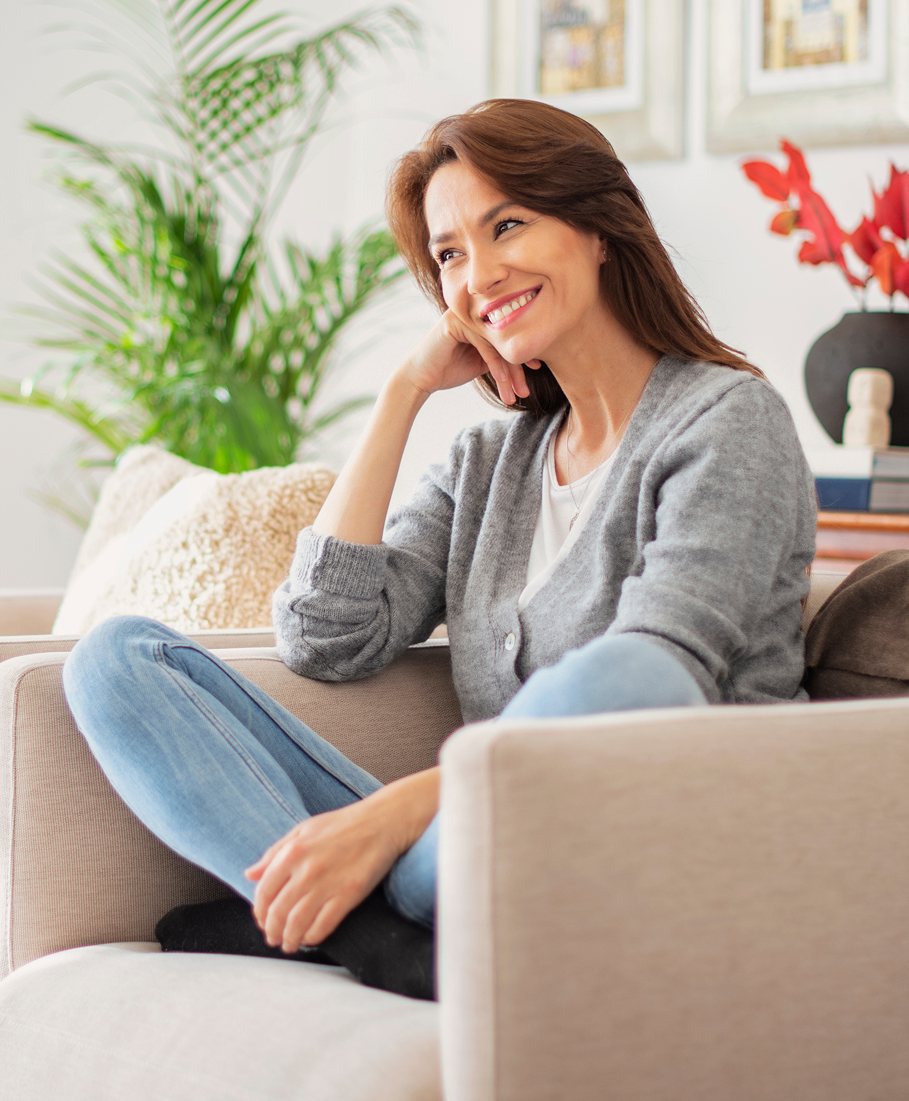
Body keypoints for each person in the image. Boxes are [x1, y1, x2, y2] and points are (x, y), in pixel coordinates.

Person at [62, 99, 816, 1002]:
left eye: (507, 226)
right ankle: (379, 943)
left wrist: (393, 810)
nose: (480, 274)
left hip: (641, 835)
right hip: (465, 843)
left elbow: (655, 684)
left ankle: (340, 921)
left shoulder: (728, 422)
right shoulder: (489, 461)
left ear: (599, 229)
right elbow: (324, 637)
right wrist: (404, 389)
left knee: (618, 675)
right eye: (450, 254)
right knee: (113, 661)